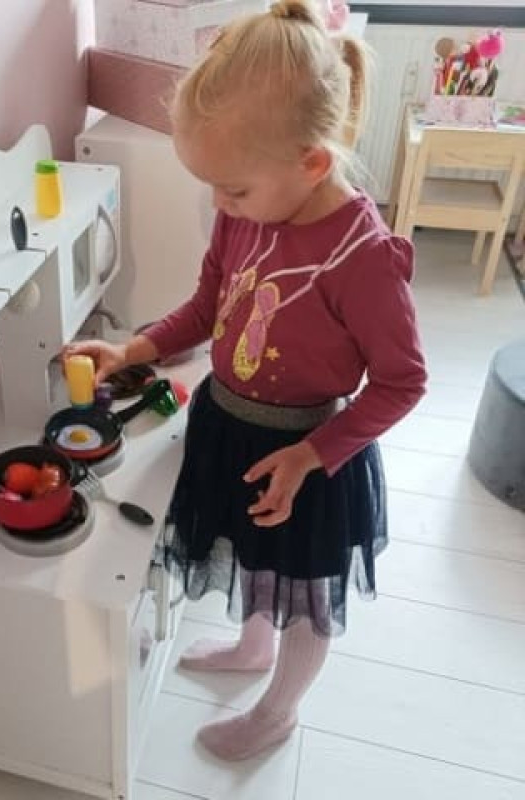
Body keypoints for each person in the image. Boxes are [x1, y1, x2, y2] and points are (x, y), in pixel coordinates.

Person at [65, 0, 427, 762]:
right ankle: (252, 645)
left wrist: (313, 455)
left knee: (305, 594)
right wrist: (133, 349)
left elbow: (402, 382)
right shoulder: (247, 210)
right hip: (230, 426)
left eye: (232, 190)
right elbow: (208, 306)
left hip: (309, 457)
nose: (220, 206)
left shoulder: (362, 256)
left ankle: (280, 710)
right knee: (254, 557)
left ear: (312, 163)